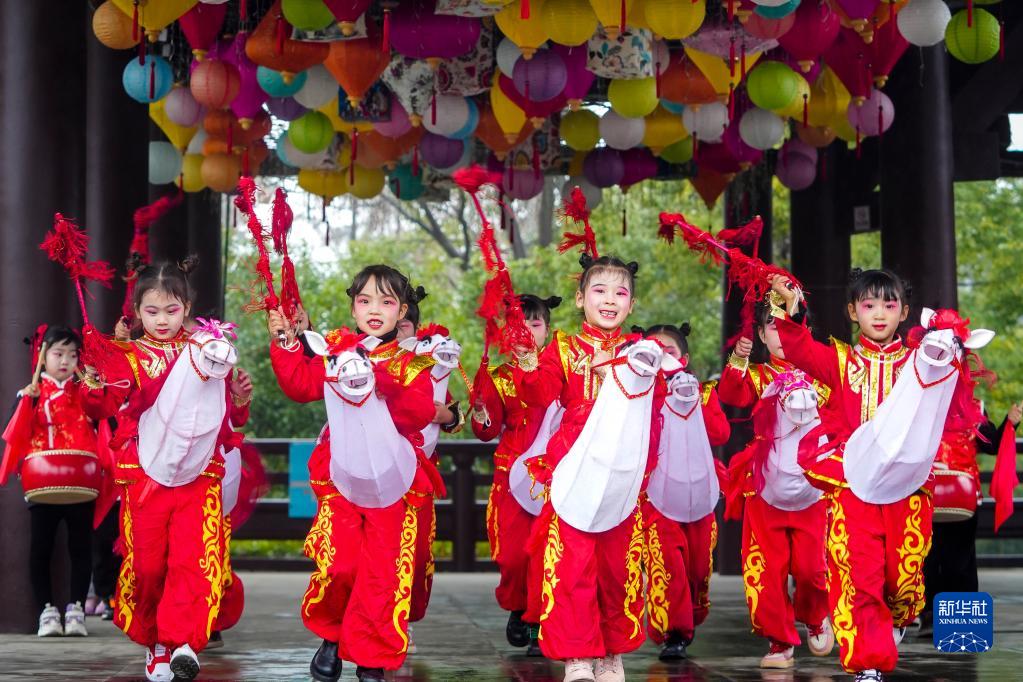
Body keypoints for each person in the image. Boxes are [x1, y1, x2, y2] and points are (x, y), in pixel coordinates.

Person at [769, 269, 990, 682]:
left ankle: (901, 614)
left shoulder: (920, 361)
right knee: (860, 574)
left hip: (907, 489)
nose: (879, 313)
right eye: (869, 305)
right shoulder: (840, 360)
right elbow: (799, 349)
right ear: (853, 312)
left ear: (904, 313)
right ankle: (868, 662)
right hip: (853, 483)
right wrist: (793, 308)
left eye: (889, 305)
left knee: (903, 575)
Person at [268, 264, 441, 682]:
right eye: (365, 301)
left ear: (402, 311)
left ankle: (370, 655)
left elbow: (419, 413)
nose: (375, 310)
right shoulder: (335, 352)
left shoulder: (412, 362)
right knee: (340, 565)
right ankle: (332, 635)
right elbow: (301, 386)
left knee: (382, 574)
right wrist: (286, 341)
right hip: (341, 479)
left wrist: (382, 381)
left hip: (394, 483)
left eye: (386, 301)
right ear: (353, 308)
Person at [80, 258, 242, 682]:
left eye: (171, 310)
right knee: (149, 566)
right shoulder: (127, 356)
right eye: (151, 311)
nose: (162, 320)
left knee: (194, 559)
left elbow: (223, 415)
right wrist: (94, 379)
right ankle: (155, 642)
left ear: (187, 307)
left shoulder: (207, 350)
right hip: (145, 474)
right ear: (137, 311)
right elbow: (100, 407)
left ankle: (181, 642)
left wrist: (239, 400)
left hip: (199, 473)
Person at [513, 254, 674, 682]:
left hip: (622, 473)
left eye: (620, 293)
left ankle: (611, 652)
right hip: (573, 469)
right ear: (580, 298)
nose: (609, 300)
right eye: (599, 291)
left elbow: (654, 409)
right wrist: (527, 361)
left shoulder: (641, 352)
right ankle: (578, 655)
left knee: (618, 569)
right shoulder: (564, 349)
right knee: (573, 566)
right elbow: (539, 393)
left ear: (631, 304)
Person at [719, 299, 835, 668]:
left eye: (790, 325)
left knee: (812, 569)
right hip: (764, 489)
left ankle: (815, 616)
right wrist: (738, 360)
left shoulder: (824, 376)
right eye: (773, 326)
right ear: (760, 334)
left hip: (813, 491)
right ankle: (779, 641)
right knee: (765, 572)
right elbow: (731, 395)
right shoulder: (759, 376)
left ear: (805, 331)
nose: (782, 334)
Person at [473, 294, 562, 655]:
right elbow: (487, 431)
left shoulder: (561, 371)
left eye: (534, 324)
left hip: (553, 476)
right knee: (512, 555)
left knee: (545, 553)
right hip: (511, 477)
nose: (526, 332)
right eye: (517, 326)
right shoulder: (499, 377)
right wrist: (481, 412)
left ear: (548, 330)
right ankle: (517, 605)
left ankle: (538, 621)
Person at [1, 325, 104, 638]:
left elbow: (105, 418)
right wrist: (27, 402)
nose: (65, 361)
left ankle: (76, 609)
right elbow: (14, 432)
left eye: (72, 355)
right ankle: (47, 610)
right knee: (41, 548)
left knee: (81, 548)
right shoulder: (30, 394)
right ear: (42, 356)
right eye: (58, 353)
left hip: (80, 481)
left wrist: (97, 390)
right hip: (43, 482)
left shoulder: (85, 393)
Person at [639, 323, 730, 661]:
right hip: (656, 496)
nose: (663, 358)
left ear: (685, 359)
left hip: (698, 495)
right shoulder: (641, 395)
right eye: (655, 352)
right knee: (669, 564)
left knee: (697, 568)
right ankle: (674, 632)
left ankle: (690, 615)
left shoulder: (703, 392)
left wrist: (693, 400)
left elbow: (720, 434)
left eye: (670, 352)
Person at [919, 401, 1022, 634]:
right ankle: (930, 615)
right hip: (926, 493)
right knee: (927, 558)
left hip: (962, 497)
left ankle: (960, 623)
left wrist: (1010, 422)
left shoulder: (975, 408)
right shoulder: (920, 401)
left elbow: (991, 444)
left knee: (960, 560)